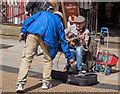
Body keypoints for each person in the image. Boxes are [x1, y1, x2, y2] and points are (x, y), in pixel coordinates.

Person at [16, 11, 74, 92]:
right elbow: (63, 41)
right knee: (48, 60)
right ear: (60, 18)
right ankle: (45, 83)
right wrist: (69, 57)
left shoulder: (42, 13)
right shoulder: (58, 22)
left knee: (26, 59)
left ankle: (20, 84)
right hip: (47, 36)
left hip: (32, 32)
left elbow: (29, 20)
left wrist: (23, 31)